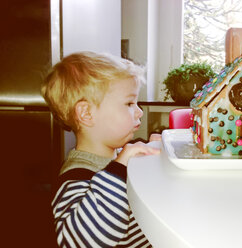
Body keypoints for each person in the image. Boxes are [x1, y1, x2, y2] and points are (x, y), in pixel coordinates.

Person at [41, 51, 161, 248]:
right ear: (86, 113)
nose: (139, 112)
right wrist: (120, 168)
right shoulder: (77, 177)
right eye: (129, 103)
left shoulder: (119, 156)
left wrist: (151, 157)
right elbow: (82, 242)